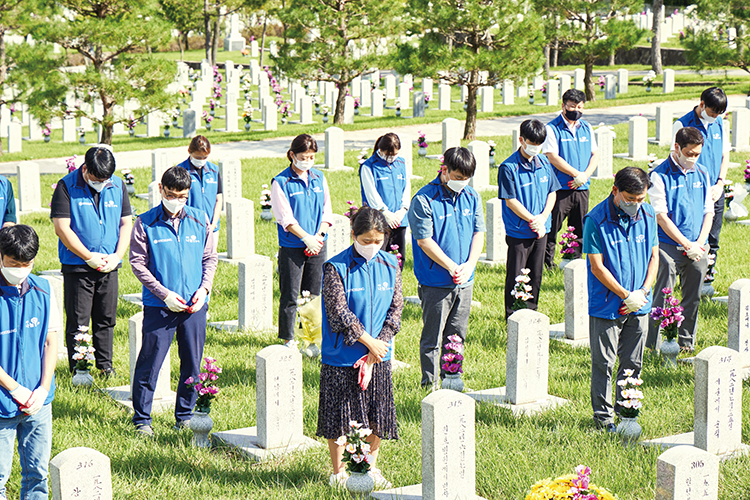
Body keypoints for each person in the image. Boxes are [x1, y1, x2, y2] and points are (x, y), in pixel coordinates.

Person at [317, 206, 402, 490]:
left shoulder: (391, 264)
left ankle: (370, 467)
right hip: (344, 355)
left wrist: (380, 346)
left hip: (379, 354)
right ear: (353, 235)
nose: (373, 246)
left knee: (377, 413)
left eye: (378, 241)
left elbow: (395, 309)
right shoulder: (336, 267)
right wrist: (369, 342)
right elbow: (339, 313)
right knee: (340, 415)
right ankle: (339, 471)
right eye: (366, 241)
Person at [129, 166, 218, 437]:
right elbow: (138, 263)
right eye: (171, 195)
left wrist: (204, 289)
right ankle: (142, 419)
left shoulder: (199, 219)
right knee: (150, 361)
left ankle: (185, 415)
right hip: (160, 306)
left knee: (192, 361)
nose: (176, 201)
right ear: (161, 190)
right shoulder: (145, 223)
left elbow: (209, 258)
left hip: (194, 305)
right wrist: (164, 294)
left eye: (182, 196)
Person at [583, 167, 659, 432]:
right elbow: (597, 267)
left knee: (633, 362)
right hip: (607, 304)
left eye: (640, 199)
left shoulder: (648, 214)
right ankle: (603, 419)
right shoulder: (596, 220)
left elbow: (654, 256)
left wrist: (643, 292)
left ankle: (627, 411)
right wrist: (626, 295)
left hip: (640, 301)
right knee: (604, 362)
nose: (636, 205)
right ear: (615, 190)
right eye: (630, 199)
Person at [51, 146, 132, 378]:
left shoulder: (117, 185)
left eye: (106, 180)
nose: (102, 184)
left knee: (106, 318)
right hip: (78, 265)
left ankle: (105, 366)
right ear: (85, 169)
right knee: (79, 320)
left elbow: (126, 222)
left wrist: (117, 256)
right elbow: (62, 228)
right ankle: (80, 369)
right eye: (97, 180)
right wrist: (88, 256)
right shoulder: (67, 186)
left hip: (109, 264)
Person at [408, 146, 485, 388]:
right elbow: (424, 240)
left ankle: (452, 378)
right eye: (458, 177)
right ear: (444, 170)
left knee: (457, 334)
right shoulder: (424, 200)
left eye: (467, 178)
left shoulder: (472, 196)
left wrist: (470, 265)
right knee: (433, 337)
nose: (462, 183)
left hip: (465, 279)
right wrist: (452, 266)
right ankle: (429, 385)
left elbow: (478, 233)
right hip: (436, 281)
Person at [0, 225, 56, 500]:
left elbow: (50, 341)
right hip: (2, 403)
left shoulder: (43, 289)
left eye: (27, 264)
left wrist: (43, 389)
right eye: (13, 263)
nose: (20, 270)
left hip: (38, 402)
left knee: (37, 475)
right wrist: (15, 389)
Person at [646, 127, 713, 352]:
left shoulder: (702, 173)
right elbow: (661, 216)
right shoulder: (659, 175)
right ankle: (653, 344)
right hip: (667, 244)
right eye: (689, 153)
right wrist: (686, 244)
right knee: (663, 295)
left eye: (697, 154)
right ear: (677, 148)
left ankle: (685, 342)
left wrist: (700, 243)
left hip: (697, 244)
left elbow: (708, 211)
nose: (693, 158)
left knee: (693, 296)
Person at [271, 134, 333, 347]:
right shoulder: (281, 182)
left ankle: (311, 338)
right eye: (303, 157)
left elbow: (327, 211)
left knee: (313, 295)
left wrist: (319, 237)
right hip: (293, 245)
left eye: (312, 157)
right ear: (292, 155)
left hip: (318, 244)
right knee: (290, 294)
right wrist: (306, 238)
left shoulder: (319, 178)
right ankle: (288, 338)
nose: (307, 161)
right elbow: (285, 218)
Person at [498, 119, 561, 319]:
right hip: (520, 230)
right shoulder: (508, 167)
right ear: (521, 140)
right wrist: (533, 220)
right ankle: (513, 315)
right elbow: (510, 201)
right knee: (516, 275)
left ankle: (531, 312)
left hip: (542, 228)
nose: (536, 148)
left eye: (539, 144)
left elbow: (552, 192)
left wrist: (543, 217)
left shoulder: (544, 163)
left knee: (536, 273)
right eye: (532, 144)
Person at [673, 87, 729, 285]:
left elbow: (724, 154)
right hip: (692, 189)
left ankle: (707, 276)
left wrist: (720, 183)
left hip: (715, 189)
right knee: (690, 232)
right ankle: (684, 278)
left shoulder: (719, 123)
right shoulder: (682, 124)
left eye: (719, 114)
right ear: (702, 104)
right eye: (712, 112)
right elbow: (675, 158)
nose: (715, 117)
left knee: (713, 235)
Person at [542, 89, 600, 270]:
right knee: (553, 226)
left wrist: (585, 175)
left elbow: (595, 154)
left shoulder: (586, 127)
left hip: (582, 187)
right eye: (572, 106)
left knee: (579, 227)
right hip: (561, 187)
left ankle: (573, 262)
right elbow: (552, 156)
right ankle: (547, 263)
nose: (576, 110)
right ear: (563, 106)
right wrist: (576, 174)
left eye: (580, 107)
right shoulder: (552, 128)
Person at [359, 133, 410, 269]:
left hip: (399, 219)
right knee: (378, 258)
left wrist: (403, 210)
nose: (392, 158)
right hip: (379, 220)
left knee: (398, 258)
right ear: (381, 150)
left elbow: (406, 187)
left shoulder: (401, 163)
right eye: (389, 155)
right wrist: (385, 213)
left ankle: (396, 281)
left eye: (395, 154)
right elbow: (371, 194)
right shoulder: (369, 166)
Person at [178, 135, 223, 248]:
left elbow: (218, 199)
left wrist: (213, 224)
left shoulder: (214, 171)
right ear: (189, 151)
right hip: (189, 227)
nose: (201, 161)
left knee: (210, 257)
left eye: (205, 157)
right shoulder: (181, 171)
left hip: (211, 227)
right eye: (198, 157)